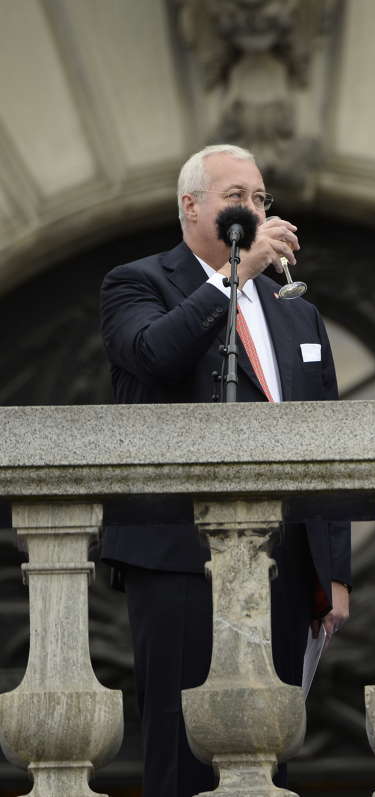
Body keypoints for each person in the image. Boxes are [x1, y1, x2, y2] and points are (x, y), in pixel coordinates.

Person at [99, 144, 352, 796]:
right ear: (191, 207)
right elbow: (154, 354)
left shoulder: (297, 311)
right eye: (237, 196)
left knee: (267, 750)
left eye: (262, 198)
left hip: (282, 563)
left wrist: (333, 571)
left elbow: (323, 441)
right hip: (178, 556)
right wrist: (232, 281)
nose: (254, 209)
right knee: (182, 750)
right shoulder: (137, 282)